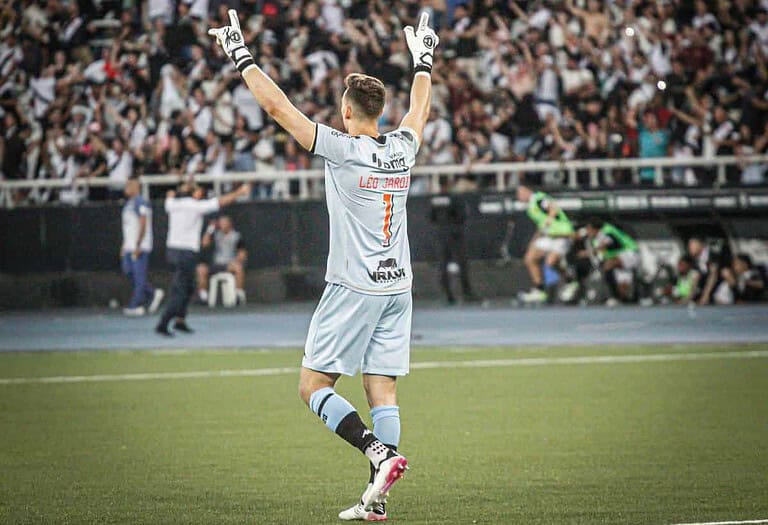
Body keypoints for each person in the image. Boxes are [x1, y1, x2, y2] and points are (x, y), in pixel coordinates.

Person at [209, 9, 438, 521]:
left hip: (354, 286)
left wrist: (239, 53)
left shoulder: (342, 149)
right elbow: (419, 110)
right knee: (382, 387)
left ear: (347, 111)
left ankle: (376, 452)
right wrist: (423, 58)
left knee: (313, 386)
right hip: (397, 285)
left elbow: (276, 108)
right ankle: (375, 500)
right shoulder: (401, 148)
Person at [155, 181, 250, 336]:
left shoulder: (172, 203)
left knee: (188, 287)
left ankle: (180, 321)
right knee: (180, 290)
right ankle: (163, 323)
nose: (201, 193)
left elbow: (170, 197)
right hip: (185, 253)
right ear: (193, 193)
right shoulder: (193, 205)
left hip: (173, 251)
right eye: (198, 191)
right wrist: (239, 192)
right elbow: (220, 202)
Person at [517, 185, 574, 303]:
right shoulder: (530, 207)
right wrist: (534, 240)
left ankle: (570, 281)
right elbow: (541, 224)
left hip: (562, 235)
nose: (519, 196)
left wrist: (549, 220)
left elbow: (553, 208)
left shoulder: (538, 199)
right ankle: (539, 290)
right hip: (549, 236)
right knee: (529, 258)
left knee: (551, 263)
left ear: (528, 191)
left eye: (520, 193)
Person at [121, 176, 164, 316]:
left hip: (139, 245)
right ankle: (152, 293)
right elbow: (128, 226)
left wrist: (138, 244)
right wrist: (124, 245)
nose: (126, 188)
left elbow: (143, 223)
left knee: (139, 275)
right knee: (128, 271)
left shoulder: (141, 202)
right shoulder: (128, 203)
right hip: (129, 245)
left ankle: (136, 305)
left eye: (129, 185)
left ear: (136, 187)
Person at [430, 178, 477, 304]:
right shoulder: (455, 198)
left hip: (441, 235)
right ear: (449, 184)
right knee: (462, 264)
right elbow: (462, 216)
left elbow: (431, 218)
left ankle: (447, 295)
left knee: (443, 265)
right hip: (455, 236)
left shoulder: (435, 199)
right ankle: (467, 293)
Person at [582, 218, 640, 305]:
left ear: (595, 229)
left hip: (630, 253)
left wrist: (586, 253)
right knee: (623, 288)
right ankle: (624, 300)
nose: (587, 232)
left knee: (607, 266)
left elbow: (606, 244)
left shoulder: (605, 232)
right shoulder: (596, 237)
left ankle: (611, 296)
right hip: (619, 257)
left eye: (589, 229)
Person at [196, 215, 247, 304]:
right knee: (201, 269)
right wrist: (210, 229)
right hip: (216, 264)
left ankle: (238, 294)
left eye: (224, 222)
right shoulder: (215, 234)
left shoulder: (237, 236)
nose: (222, 225)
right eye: (221, 223)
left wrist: (236, 261)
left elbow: (242, 254)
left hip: (229, 264)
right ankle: (203, 296)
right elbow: (204, 243)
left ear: (229, 224)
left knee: (238, 268)